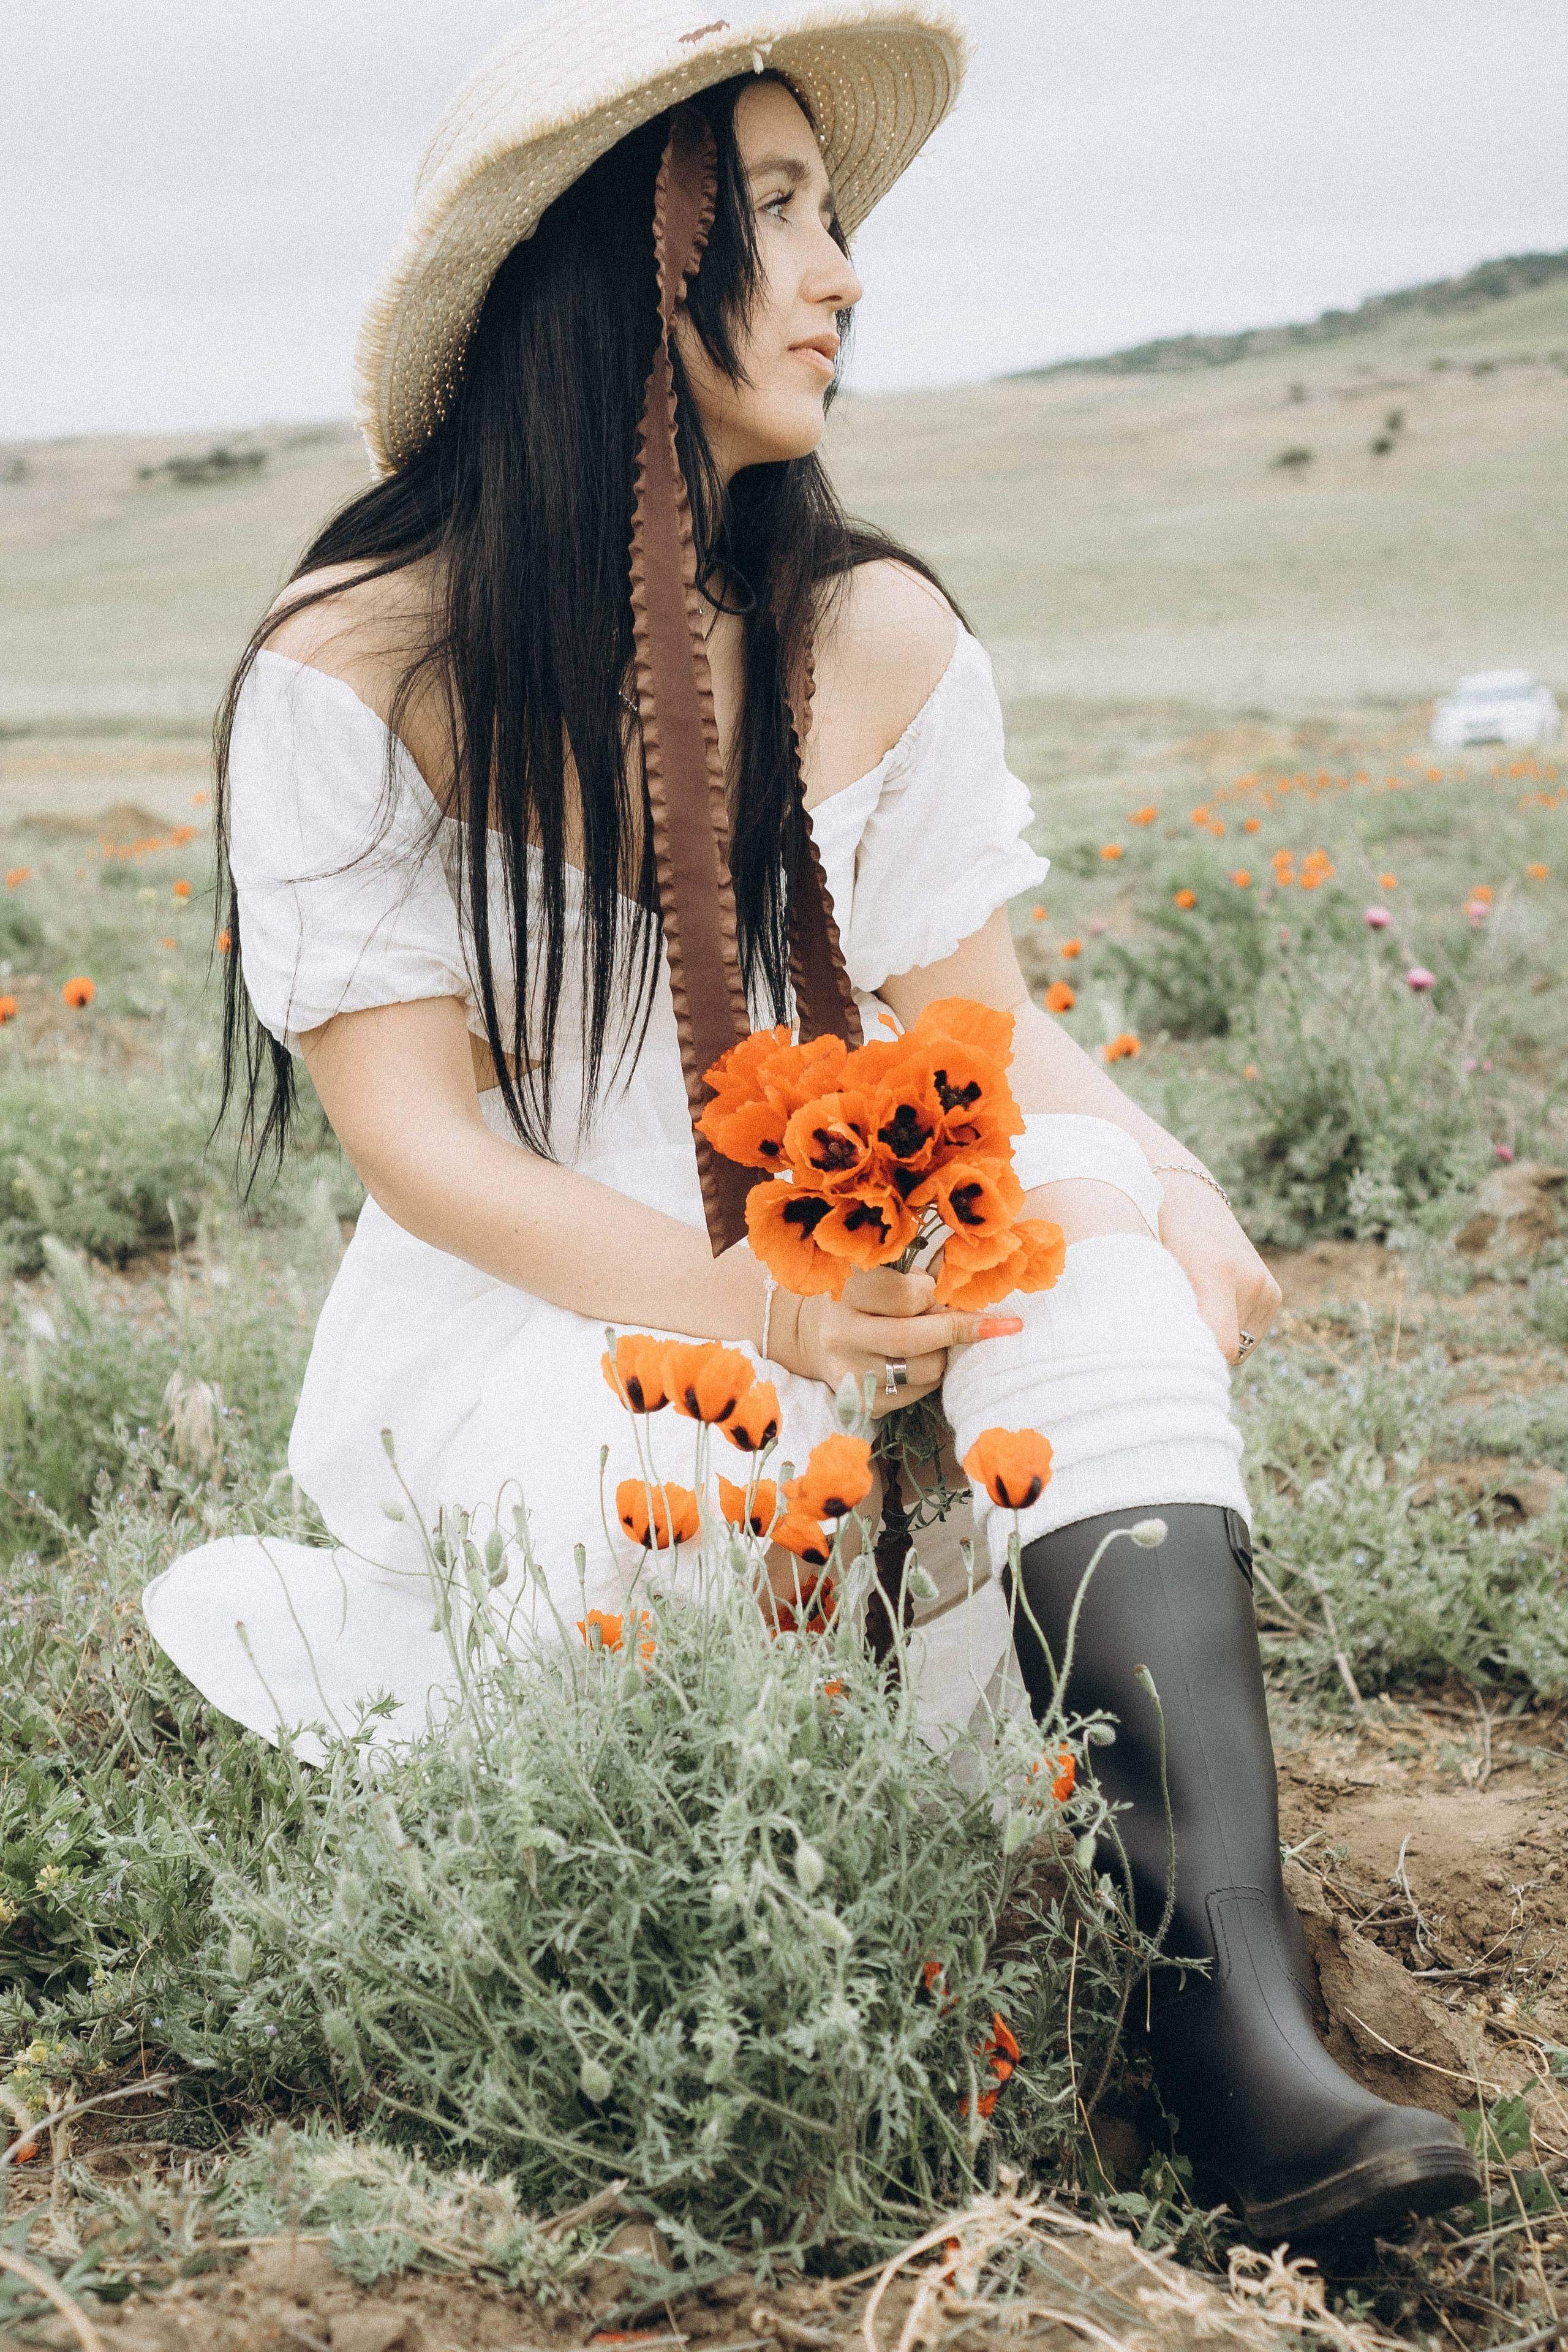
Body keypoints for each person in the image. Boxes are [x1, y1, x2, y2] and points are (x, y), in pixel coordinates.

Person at [143, 0, 1479, 2241]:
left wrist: (1160, 1173)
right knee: (697, 1482)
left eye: (831, 211)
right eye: (773, 213)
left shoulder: (872, 630)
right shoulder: (367, 661)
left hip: (861, 1262)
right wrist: (750, 1304)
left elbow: (978, 1033)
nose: (845, 269)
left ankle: (1228, 2022)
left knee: (1080, 1226)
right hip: (562, 1304)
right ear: (609, 269)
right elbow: (427, 1149)